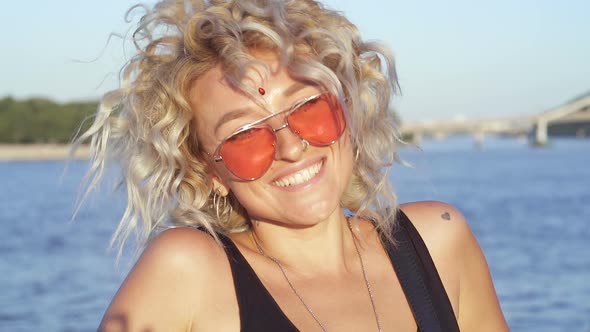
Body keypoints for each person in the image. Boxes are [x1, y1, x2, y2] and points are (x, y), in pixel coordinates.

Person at [77, 0, 509, 331]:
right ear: (209, 170)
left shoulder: (439, 241)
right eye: (244, 134)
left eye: (308, 108)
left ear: (348, 109)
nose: (290, 146)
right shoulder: (188, 271)